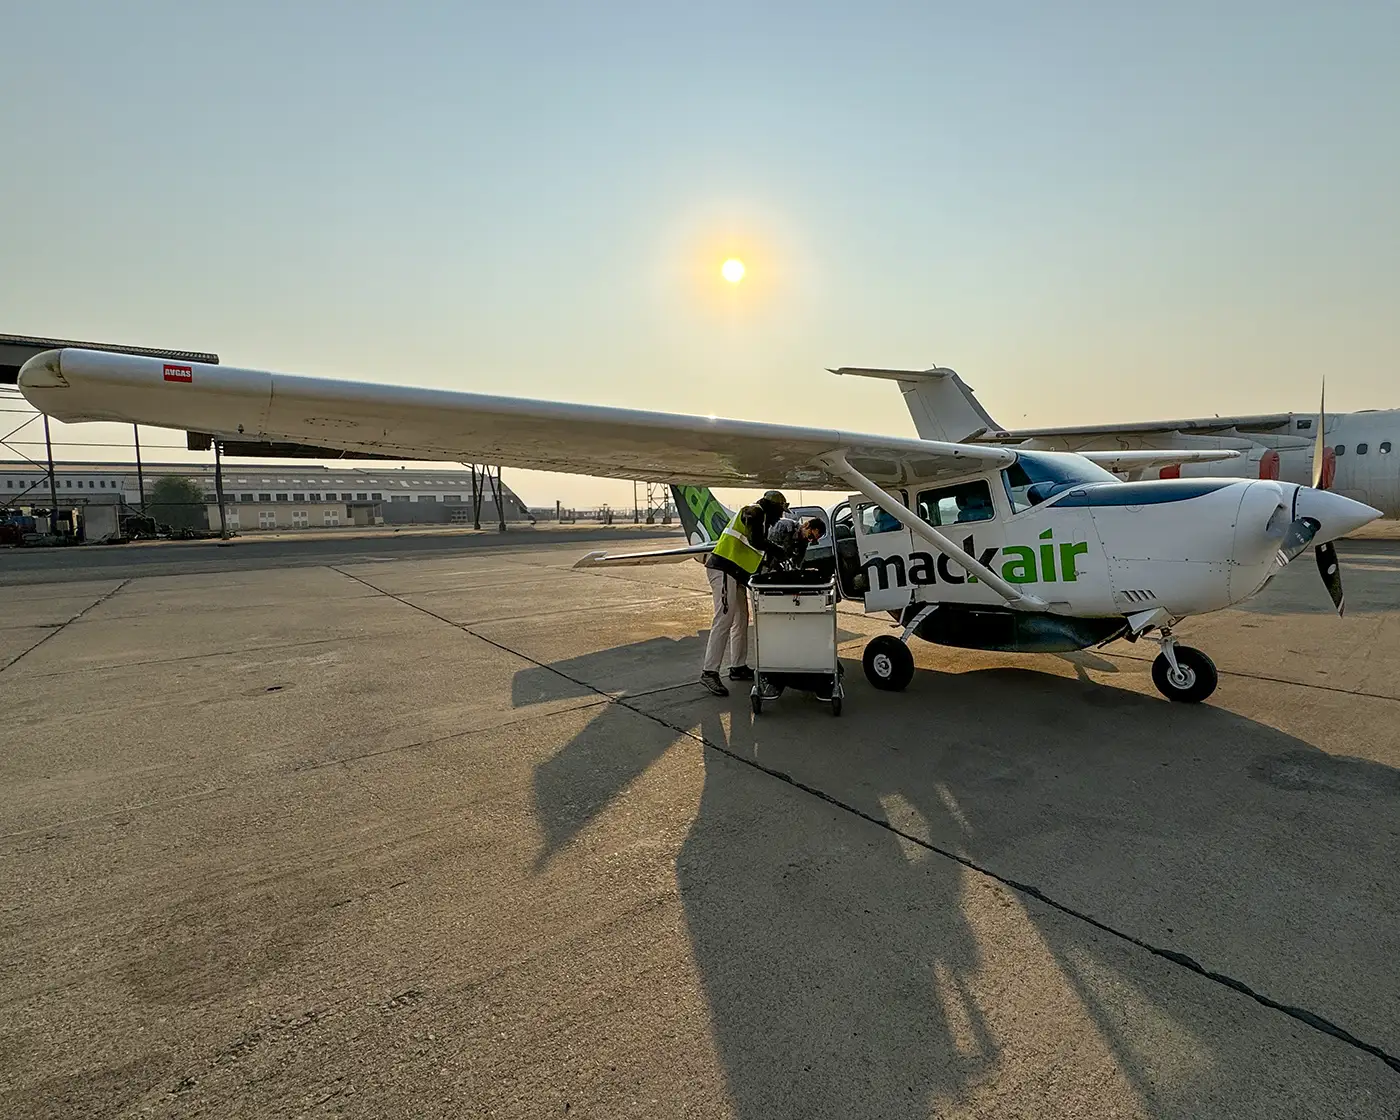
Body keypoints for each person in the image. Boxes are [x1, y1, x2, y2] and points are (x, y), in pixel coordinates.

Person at [700, 489, 788, 696]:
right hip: (723, 569)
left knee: (741, 619)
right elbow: (756, 541)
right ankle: (709, 672)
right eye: (780, 511)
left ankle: (738, 667)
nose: (781, 517)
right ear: (773, 507)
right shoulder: (754, 512)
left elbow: (753, 552)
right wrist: (777, 550)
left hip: (736, 574)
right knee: (724, 618)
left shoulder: (763, 520)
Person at [763, 515, 827, 572]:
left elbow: (797, 566)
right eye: (810, 536)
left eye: (814, 541)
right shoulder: (783, 526)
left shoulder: (803, 543)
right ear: (806, 525)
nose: (810, 540)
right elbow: (767, 548)